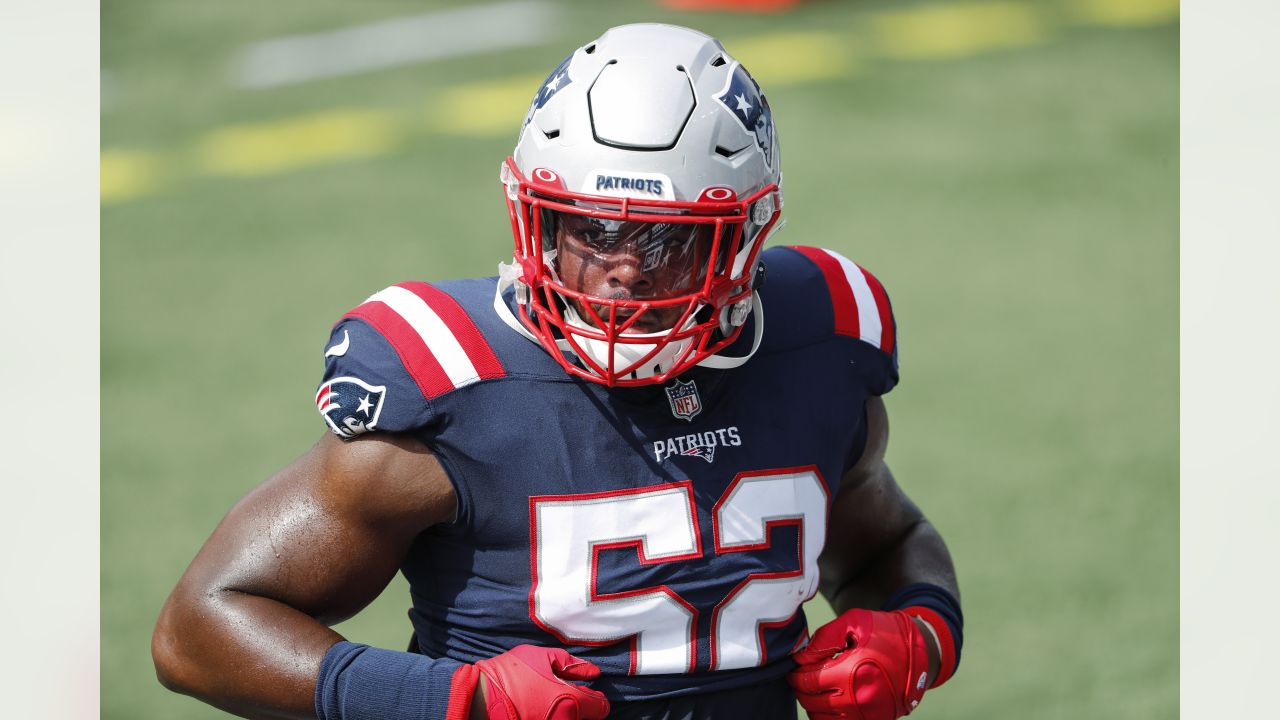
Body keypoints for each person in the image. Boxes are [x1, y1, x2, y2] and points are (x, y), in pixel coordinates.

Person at [153, 23, 962, 720]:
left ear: (746, 234)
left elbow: (886, 542)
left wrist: (918, 633)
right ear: (532, 217)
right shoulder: (458, 387)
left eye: (665, 241)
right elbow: (200, 628)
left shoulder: (817, 348)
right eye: (588, 230)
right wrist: (451, 701)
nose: (623, 273)